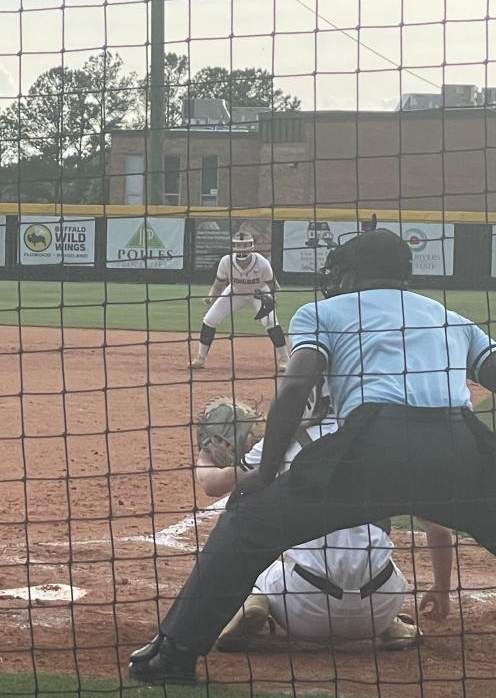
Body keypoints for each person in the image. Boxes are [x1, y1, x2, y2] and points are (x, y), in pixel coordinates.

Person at [130, 228, 496, 685]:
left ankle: (174, 655)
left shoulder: (322, 312)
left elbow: (298, 386)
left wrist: (263, 473)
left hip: (372, 447)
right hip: (458, 446)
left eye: (340, 270)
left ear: (354, 272)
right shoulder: (451, 318)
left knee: (249, 521)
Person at [193, 388, 451, 653]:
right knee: (375, 549)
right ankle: (391, 623)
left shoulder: (280, 442)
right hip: (380, 605)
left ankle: (256, 601)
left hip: (303, 609)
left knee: (257, 538)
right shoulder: (387, 444)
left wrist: (205, 454)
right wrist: (442, 587)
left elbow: (212, 485)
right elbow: (439, 530)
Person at [190, 231, 289, 374]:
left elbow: (275, 287)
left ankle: (285, 359)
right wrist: (211, 297)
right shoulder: (226, 261)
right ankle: (200, 359)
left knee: (271, 322)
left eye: (245, 245)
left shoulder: (262, 262)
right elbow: (218, 285)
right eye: (238, 245)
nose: (242, 249)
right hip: (235, 291)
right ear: (233, 246)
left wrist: (271, 299)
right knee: (210, 319)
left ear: (251, 246)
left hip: (259, 292)